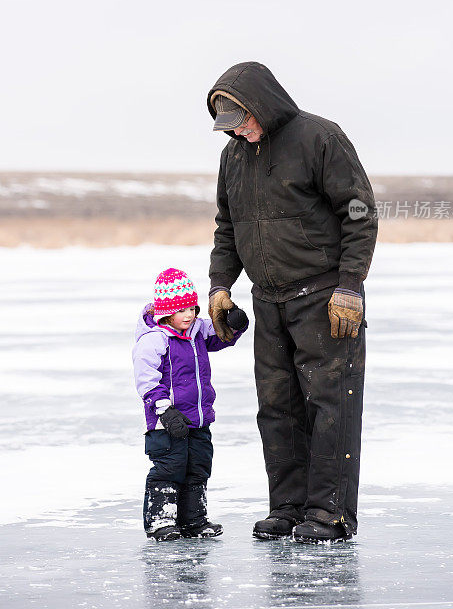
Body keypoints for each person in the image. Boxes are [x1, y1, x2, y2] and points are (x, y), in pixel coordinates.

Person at [207, 62, 377, 544]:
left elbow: (360, 213)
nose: (238, 131)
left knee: (329, 405)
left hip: (325, 298)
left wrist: (350, 285)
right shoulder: (233, 157)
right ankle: (288, 507)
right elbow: (228, 228)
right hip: (269, 302)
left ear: (262, 104)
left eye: (242, 120)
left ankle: (329, 513)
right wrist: (221, 285)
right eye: (229, 126)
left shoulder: (319, 138)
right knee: (277, 408)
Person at [133, 267, 248, 541]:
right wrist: (163, 407)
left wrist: (235, 323)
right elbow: (146, 378)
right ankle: (161, 521)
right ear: (166, 312)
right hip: (168, 420)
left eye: (193, 308)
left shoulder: (197, 331)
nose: (189, 315)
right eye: (182, 310)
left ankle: (193, 521)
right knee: (169, 467)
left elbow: (222, 337)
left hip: (198, 418)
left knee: (198, 466)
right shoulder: (154, 339)